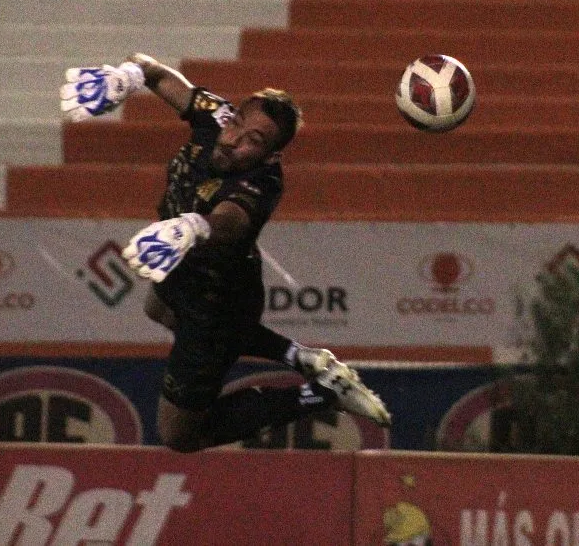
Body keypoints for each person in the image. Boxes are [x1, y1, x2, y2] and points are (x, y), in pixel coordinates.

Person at [59, 53, 391, 452]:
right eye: (237, 124)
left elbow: (230, 220)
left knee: (180, 435)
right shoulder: (215, 116)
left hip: (215, 302)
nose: (233, 140)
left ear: (271, 155)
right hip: (184, 271)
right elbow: (155, 71)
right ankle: (301, 357)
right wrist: (126, 77)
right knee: (158, 309)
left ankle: (321, 395)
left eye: (254, 141)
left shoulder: (262, 181)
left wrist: (194, 225)